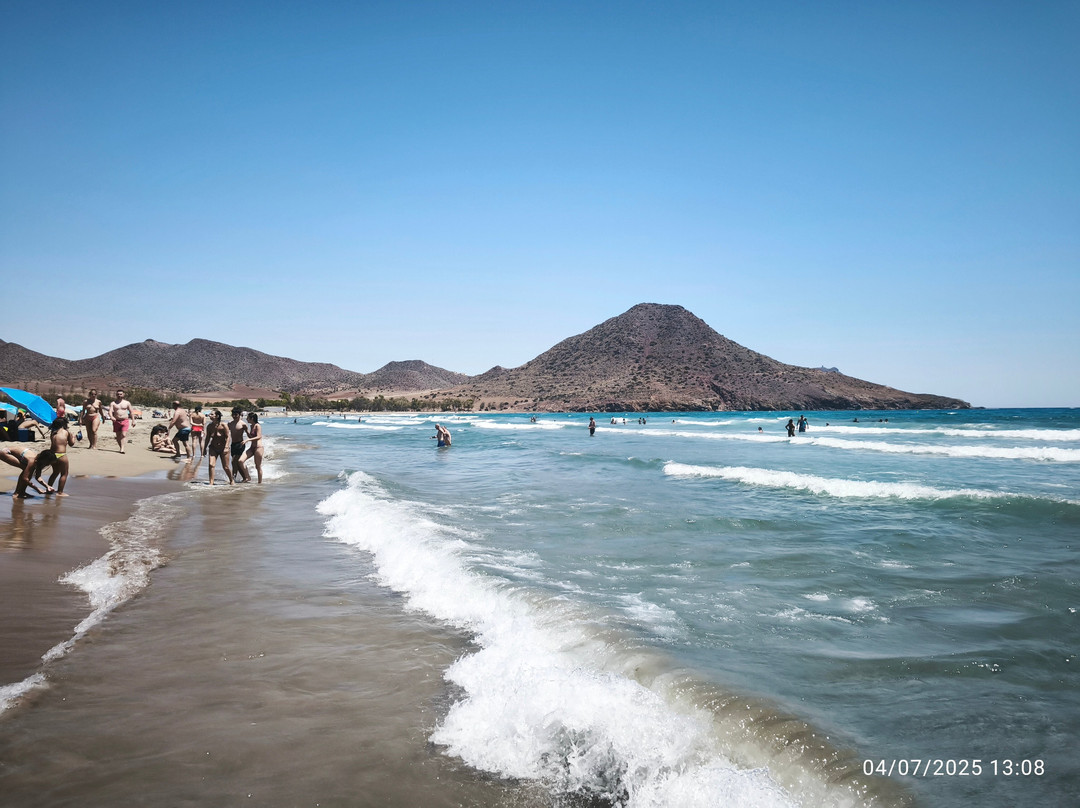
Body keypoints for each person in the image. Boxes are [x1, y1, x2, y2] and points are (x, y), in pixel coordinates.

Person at [16, 417, 74, 497]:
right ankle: (60, 492)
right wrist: (73, 437)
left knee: (55, 473)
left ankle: (49, 489)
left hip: (52, 455)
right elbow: (71, 444)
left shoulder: (53, 432)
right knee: (64, 474)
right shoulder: (67, 432)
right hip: (61, 454)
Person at [204, 410, 233, 485]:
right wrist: (204, 448)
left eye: (212, 414)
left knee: (226, 467)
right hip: (213, 448)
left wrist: (226, 447)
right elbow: (207, 438)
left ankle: (231, 480)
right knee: (211, 464)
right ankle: (211, 482)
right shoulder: (209, 426)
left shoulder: (223, 425)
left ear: (217, 416)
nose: (209, 415)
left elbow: (228, 437)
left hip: (223, 448)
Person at [237, 412, 264, 484]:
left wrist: (247, 440)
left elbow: (259, 436)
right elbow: (251, 436)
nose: (246, 419)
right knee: (240, 461)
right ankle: (248, 477)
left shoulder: (257, 426)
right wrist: (246, 431)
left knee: (258, 466)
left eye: (248, 418)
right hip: (252, 448)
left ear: (252, 418)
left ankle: (259, 483)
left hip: (258, 448)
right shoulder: (251, 426)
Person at [227, 408, 250, 481]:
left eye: (236, 415)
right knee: (236, 463)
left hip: (240, 444)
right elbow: (227, 434)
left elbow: (249, 434)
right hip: (233, 444)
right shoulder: (230, 423)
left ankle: (233, 478)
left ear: (239, 415)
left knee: (234, 461)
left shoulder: (243, 424)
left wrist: (255, 439)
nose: (234, 416)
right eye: (233, 415)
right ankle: (245, 478)